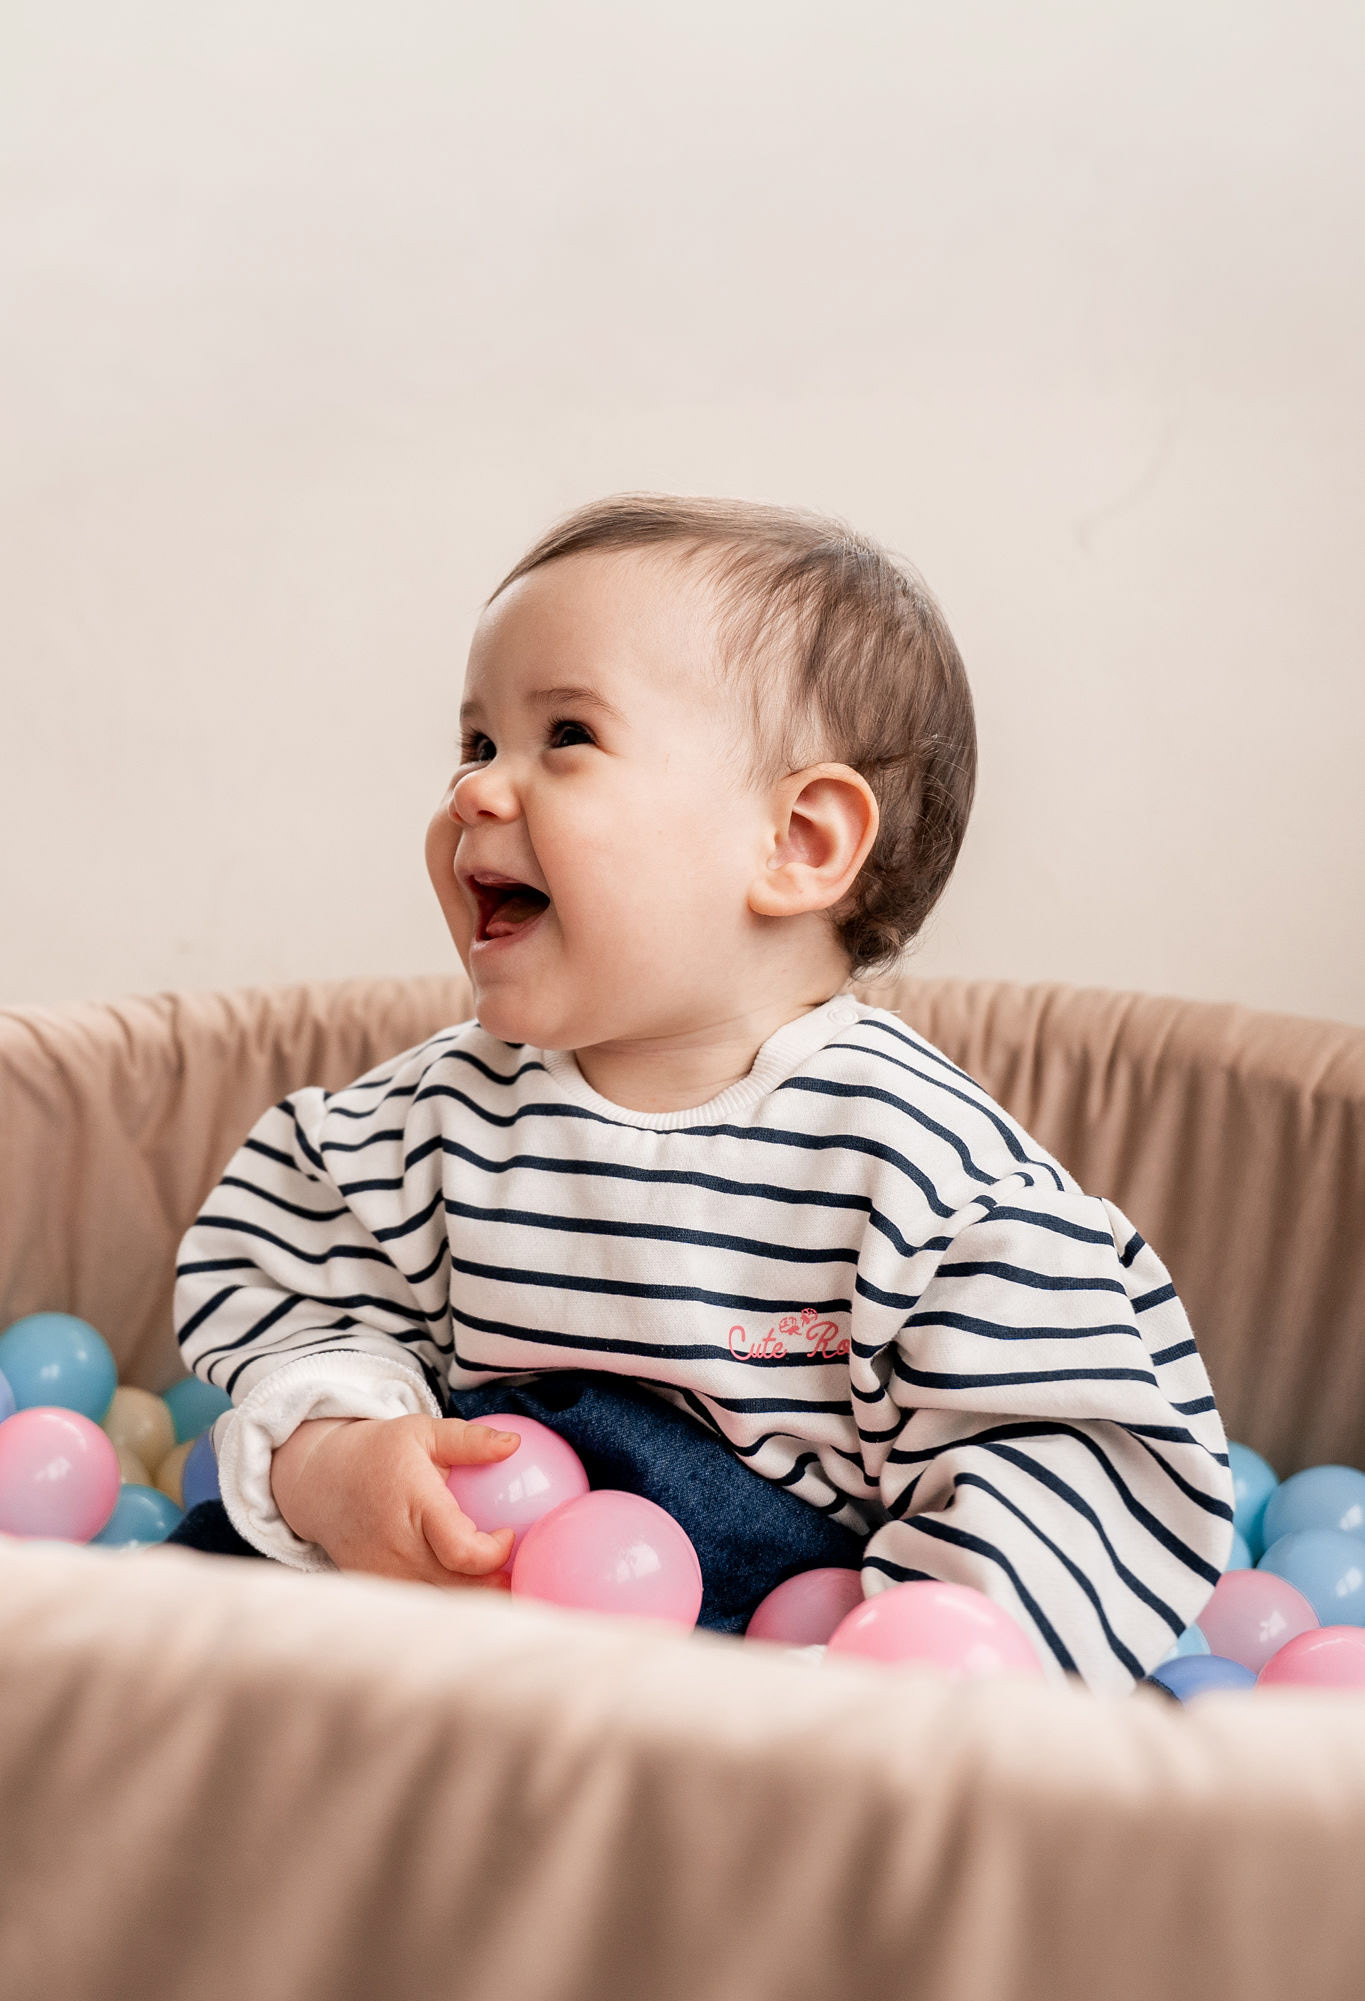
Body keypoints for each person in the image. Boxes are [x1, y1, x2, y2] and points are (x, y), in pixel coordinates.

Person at [170, 494, 1234, 1691]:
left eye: (565, 735)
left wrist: (903, 1681)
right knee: (174, 1620)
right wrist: (334, 1454)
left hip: (764, 1675)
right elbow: (297, 1283)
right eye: (475, 744)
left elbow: (1073, 1451)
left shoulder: (919, 1173)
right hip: (438, 1614)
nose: (474, 792)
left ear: (797, 841)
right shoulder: (430, 1121)